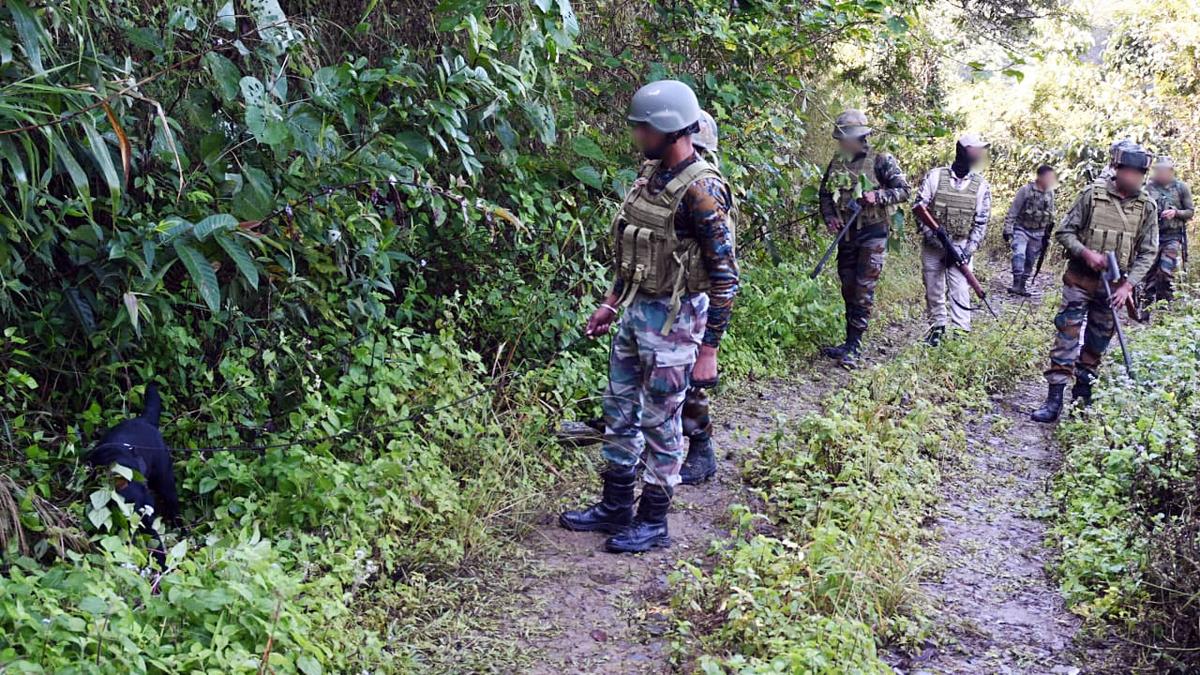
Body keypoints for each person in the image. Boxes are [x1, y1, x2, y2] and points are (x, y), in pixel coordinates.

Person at [559, 82, 739, 553]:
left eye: (642, 126)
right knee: (619, 411)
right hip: (637, 311)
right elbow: (634, 252)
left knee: (662, 422)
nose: (636, 134)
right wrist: (610, 302)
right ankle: (615, 505)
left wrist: (709, 350)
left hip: (677, 322)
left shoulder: (703, 191)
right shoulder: (651, 176)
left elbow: (725, 278)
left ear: (666, 128)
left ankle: (654, 520)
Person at [1031, 143, 1158, 423]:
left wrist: (1128, 286)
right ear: (1118, 169)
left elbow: (1149, 251)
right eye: (1132, 172)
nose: (1136, 178)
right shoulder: (1092, 196)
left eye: (1141, 173)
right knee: (1067, 337)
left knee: (1097, 345)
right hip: (1080, 281)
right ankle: (1053, 402)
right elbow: (1065, 232)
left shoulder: (1147, 206)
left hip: (1114, 288)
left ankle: (1081, 401)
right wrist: (1086, 253)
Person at [817, 109, 912, 368]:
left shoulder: (881, 159)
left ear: (859, 137)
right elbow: (824, 194)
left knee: (862, 289)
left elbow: (904, 190)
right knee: (848, 286)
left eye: (845, 138)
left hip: (873, 233)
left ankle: (855, 346)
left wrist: (878, 197)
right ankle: (848, 342)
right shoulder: (838, 161)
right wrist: (830, 218)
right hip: (846, 235)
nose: (842, 142)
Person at [914, 133, 992, 345]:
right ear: (963, 151)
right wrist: (936, 239)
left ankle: (960, 334)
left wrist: (966, 252)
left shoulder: (981, 186)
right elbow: (919, 208)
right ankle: (936, 329)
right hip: (934, 245)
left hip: (961, 245)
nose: (979, 154)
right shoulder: (936, 176)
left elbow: (981, 222)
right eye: (975, 150)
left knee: (959, 289)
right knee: (933, 288)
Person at [1141, 156, 1193, 311]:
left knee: (1165, 271)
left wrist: (1175, 213)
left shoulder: (1181, 188)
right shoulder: (1148, 188)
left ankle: (1165, 307)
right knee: (1149, 272)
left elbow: (1190, 212)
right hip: (1152, 235)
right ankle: (1146, 307)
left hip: (1173, 236)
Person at [1003, 165, 1057, 296]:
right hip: (1021, 229)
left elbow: (1050, 215)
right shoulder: (1025, 190)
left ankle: (1022, 285)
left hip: (1039, 233)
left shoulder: (1050, 193)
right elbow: (1013, 210)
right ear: (1040, 177)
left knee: (1030, 260)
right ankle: (1016, 284)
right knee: (1019, 254)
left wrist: (1047, 236)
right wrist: (1008, 229)